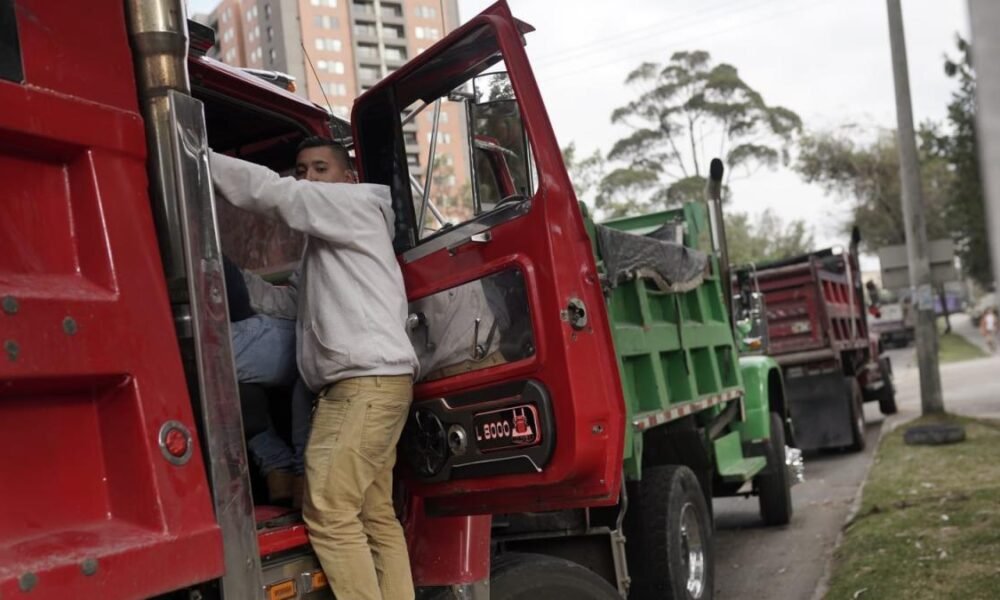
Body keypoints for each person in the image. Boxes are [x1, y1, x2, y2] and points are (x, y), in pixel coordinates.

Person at [211, 137, 419, 600]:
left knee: (329, 514)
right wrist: (226, 273)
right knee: (375, 517)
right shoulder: (330, 243)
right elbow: (287, 303)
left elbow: (277, 194)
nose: (308, 178)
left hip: (361, 387)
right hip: (378, 386)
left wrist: (193, 155)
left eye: (321, 168)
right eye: (302, 170)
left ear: (348, 178)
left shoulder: (354, 206)